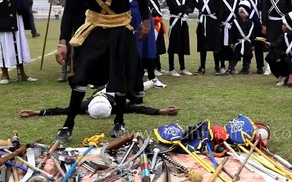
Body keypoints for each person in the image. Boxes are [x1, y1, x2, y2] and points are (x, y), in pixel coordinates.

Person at [54, 0, 150, 141]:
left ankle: (119, 121)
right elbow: (70, 9)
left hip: (121, 27)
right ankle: (68, 125)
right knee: (81, 76)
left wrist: (146, 21)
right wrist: (62, 42)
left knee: (121, 77)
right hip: (94, 27)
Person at [125, 0, 169, 88]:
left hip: (144, 14)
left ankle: (152, 78)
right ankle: (129, 78)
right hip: (127, 14)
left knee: (149, 47)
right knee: (130, 48)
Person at [0, 0, 37, 85]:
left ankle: (21, 73)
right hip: (2, 15)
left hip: (16, 15)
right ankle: (4, 74)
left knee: (18, 43)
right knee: (3, 44)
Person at [20, 89, 179, 119]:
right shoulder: (119, 107)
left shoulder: (84, 106)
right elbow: (140, 109)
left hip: (110, 86)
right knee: (137, 94)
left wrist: (37, 112)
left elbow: (63, 111)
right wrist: (162, 111)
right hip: (118, 89)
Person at [263, 12, 292, 86]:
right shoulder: (283, 37)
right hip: (287, 62)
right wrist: (268, 44)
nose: (282, 26)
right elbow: (277, 45)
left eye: (284, 25)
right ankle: (282, 76)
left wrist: (291, 77)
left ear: (289, 26)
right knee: (272, 54)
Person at [192, 0, 223, 75]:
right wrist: (200, 7)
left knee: (216, 45)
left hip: (213, 21)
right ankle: (202, 67)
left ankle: (217, 67)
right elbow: (192, 1)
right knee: (202, 45)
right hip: (203, 21)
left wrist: (219, 22)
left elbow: (220, 9)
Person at [166, 0, 194, 77]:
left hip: (183, 21)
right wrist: (184, 8)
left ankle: (182, 68)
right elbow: (173, 7)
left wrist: (184, 9)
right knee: (173, 45)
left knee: (182, 44)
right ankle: (171, 68)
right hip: (175, 21)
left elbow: (191, 8)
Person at [225, 0, 255, 75]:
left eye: (243, 12)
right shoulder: (235, 22)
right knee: (235, 56)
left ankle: (245, 69)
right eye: (240, 12)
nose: (241, 14)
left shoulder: (251, 23)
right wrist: (231, 42)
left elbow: (252, 35)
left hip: (247, 42)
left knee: (248, 55)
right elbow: (232, 33)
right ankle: (230, 69)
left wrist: (253, 44)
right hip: (238, 42)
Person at [241, 0, 264, 74]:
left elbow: (261, 8)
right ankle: (245, 67)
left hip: (257, 28)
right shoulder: (245, 0)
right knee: (248, 48)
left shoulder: (257, 0)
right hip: (249, 28)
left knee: (259, 48)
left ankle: (260, 67)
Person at [219, 0, 239, 74]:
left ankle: (232, 66)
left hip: (233, 27)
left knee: (232, 47)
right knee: (223, 47)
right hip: (223, 26)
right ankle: (222, 65)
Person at [148, 0, 167, 80]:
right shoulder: (149, 1)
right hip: (153, 27)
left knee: (158, 48)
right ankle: (152, 67)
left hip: (158, 27)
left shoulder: (156, 2)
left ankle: (158, 67)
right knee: (153, 47)